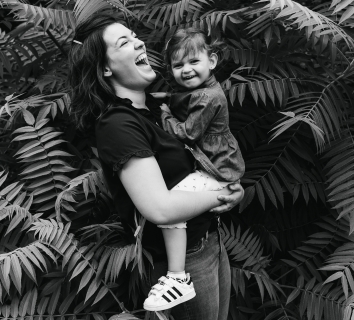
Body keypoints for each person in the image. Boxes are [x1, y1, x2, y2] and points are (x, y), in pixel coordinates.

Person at [68, 14, 244, 320]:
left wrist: (229, 186)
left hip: (210, 241)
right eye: (124, 42)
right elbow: (160, 209)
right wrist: (225, 193)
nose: (139, 41)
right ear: (105, 68)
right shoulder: (118, 125)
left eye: (135, 35)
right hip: (183, 262)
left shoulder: (152, 106)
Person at [142, 28, 245, 311]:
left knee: (169, 208)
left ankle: (177, 277)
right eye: (178, 65)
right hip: (219, 169)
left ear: (212, 61)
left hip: (217, 171)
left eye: (193, 62)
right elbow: (181, 99)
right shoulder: (202, 91)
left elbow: (187, 132)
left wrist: (163, 114)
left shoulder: (208, 98)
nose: (186, 70)